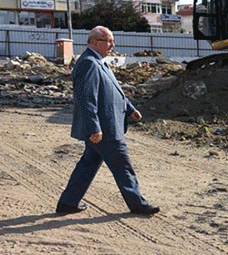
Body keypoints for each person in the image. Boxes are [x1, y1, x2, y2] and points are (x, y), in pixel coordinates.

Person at [56, 26, 159, 215]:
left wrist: (130, 109)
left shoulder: (99, 62)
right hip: (105, 129)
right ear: (95, 42)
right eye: (109, 41)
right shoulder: (88, 63)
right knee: (123, 167)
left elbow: (111, 91)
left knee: (88, 165)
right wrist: (94, 127)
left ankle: (68, 202)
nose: (113, 45)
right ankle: (138, 204)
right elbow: (86, 99)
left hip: (106, 126)